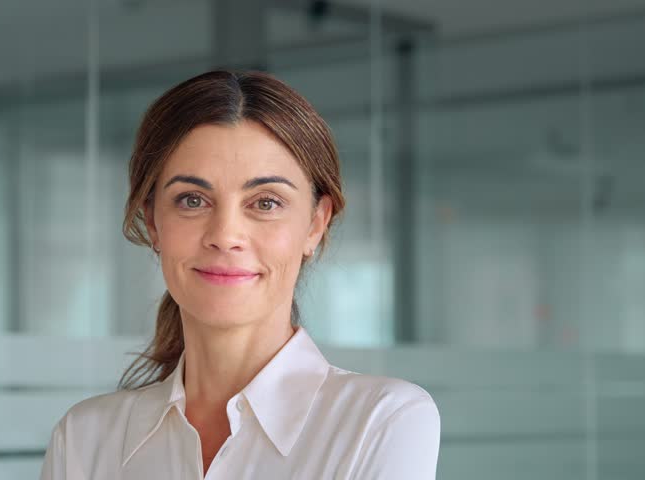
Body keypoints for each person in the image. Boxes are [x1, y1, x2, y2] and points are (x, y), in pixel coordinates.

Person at [39, 70, 440, 480]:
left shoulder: (381, 421)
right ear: (153, 222)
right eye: (192, 200)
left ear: (315, 224)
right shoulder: (84, 439)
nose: (225, 236)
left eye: (265, 203)